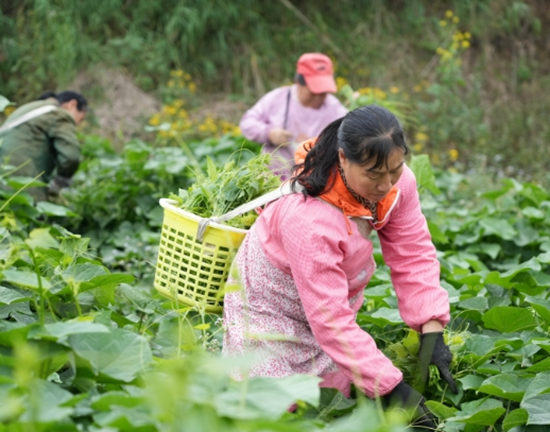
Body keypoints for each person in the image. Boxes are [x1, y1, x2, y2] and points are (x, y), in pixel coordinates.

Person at [223, 105, 457, 426]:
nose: (386, 184)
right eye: (374, 175)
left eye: (396, 169)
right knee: (277, 408)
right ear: (343, 158)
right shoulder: (307, 215)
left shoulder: (395, 182)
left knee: (331, 399)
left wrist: (432, 329)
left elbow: (412, 251)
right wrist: (392, 389)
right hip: (270, 300)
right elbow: (330, 319)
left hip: (327, 296)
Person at [239, 52, 348, 180]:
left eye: (323, 91)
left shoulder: (335, 108)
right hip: (274, 181)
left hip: (316, 185)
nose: (319, 96)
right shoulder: (278, 99)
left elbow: (351, 138)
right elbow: (247, 122)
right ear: (298, 82)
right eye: (314, 91)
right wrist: (269, 133)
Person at [0, 90, 88, 202]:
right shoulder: (58, 113)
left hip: (3, 174)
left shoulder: (33, 108)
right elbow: (71, 156)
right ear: (72, 104)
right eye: (81, 119)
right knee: (33, 214)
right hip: (20, 179)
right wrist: (60, 182)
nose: (78, 125)